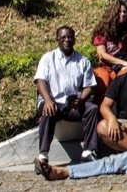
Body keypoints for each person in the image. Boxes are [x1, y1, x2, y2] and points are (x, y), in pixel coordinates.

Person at [34, 26, 98, 167]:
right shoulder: (47, 58)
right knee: (47, 110)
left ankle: (88, 151)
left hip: (72, 105)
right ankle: (43, 155)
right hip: (53, 102)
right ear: (57, 39)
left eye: (69, 37)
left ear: (74, 39)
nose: (66, 40)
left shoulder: (83, 61)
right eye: (63, 37)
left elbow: (90, 86)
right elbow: (40, 81)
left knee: (92, 109)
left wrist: (81, 100)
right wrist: (48, 100)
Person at [92, 0, 127, 104]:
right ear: (112, 13)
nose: (123, 14)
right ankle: (98, 115)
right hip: (105, 66)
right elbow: (102, 55)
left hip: (123, 67)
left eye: (124, 12)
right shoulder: (102, 32)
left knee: (125, 79)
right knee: (103, 83)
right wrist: (123, 62)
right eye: (119, 12)